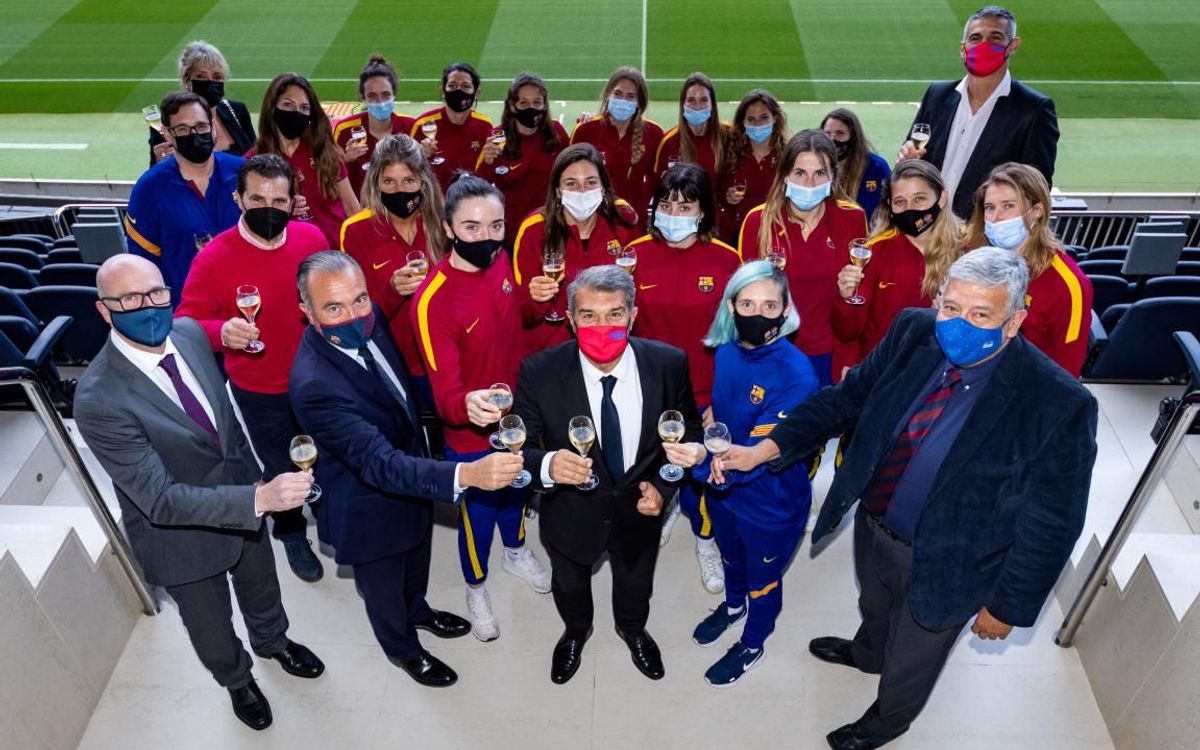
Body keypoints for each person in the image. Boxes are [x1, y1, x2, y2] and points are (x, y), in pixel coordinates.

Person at [718, 248, 1098, 749]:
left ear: (1013, 322)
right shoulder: (912, 332)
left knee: (914, 656)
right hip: (876, 519)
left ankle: (886, 721)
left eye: (981, 315)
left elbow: (1054, 521)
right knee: (874, 602)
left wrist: (1007, 606)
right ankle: (867, 653)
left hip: (952, 558)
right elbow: (845, 400)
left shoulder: (1059, 402)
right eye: (951, 307)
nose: (959, 325)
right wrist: (764, 450)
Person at [74, 254, 324, 732]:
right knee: (209, 624)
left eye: (156, 293)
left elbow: (224, 425)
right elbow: (159, 499)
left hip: (241, 500)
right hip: (178, 534)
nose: (148, 306)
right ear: (104, 310)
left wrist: (252, 481)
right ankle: (237, 680)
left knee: (262, 587)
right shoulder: (98, 399)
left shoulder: (188, 335)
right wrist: (258, 500)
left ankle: (273, 641)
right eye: (129, 299)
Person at [290, 252, 527, 687]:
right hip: (367, 505)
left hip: (413, 477)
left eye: (360, 299)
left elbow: (399, 393)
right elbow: (377, 464)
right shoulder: (315, 385)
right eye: (333, 308)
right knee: (383, 590)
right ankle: (404, 650)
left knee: (417, 558)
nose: (354, 315)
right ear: (307, 310)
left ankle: (418, 610)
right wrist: (465, 475)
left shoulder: (372, 319)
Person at [513, 265, 703, 685]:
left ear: (633, 316)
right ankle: (576, 632)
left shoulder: (669, 363)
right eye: (589, 315)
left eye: (614, 314)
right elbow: (517, 449)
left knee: (636, 583)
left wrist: (665, 487)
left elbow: (687, 430)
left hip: (641, 511)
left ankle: (632, 629)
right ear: (570, 319)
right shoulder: (539, 371)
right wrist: (547, 465)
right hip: (570, 512)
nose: (603, 326)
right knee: (570, 585)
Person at [411, 174, 554, 641]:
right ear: (448, 228)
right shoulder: (432, 301)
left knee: (516, 492)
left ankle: (515, 550)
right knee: (477, 516)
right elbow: (445, 397)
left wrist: (535, 302)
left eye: (496, 226)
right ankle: (475, 586)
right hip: (470, 434)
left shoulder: (502, 261)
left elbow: (516, 321)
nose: (486, 238)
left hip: (518, 417)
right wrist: (466, 406)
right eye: (472, 227)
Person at [176, 154, 329, 582]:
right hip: (260, 387)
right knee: (280, 463)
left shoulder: (312, 238)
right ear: (238, 199)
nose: (269, 208)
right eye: (258, 199)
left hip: (318, 378)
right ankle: (291, 531)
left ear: (293, 202)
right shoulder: (213, 257)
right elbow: (186, 324)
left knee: (326, 450)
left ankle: (330, 514)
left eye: (279, 201)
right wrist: (221, 331)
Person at [665, 261, 818, 687]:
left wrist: (699, 457)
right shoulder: (727, 351)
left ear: (786, 310)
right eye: (747, 304)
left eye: (770, 305)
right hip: (724, 490)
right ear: (731, 306)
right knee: (730, 556)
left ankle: (753, 642)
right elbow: (725, 410)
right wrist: (711, 421)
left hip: (771, 500)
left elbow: (752, 456)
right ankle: (733, 607)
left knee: (763, 580)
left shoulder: (797, 376)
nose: (758, 314)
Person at [625, 164, 741, 591]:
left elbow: (735, 339)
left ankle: (705, 538)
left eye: (685, 206)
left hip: (705, 392)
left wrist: (722, 399)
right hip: (649, 390)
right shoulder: (633, 256)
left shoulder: (727, 261)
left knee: (702, 475)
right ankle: (664, 504)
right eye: (667, 204)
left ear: (703, 211)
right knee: (653, 462)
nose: (674, 214)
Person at [899, 5, 1059, 218]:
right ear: (962, 48)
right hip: (926, 225)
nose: (984, 45)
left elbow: (1036, 188)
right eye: (975, 38)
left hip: (982, 233)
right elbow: (912, 154)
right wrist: (907, 156)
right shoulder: (937, 95)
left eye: (995, 38)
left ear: (1012, 46)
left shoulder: (1034, 110)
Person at [738, 130, 869, 388]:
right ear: (785, 175)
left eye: (819, 174)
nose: (809, 184)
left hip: (830, 356)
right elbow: (743, 304)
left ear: (832, 177)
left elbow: (858, 297)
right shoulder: (758, 221)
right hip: (773, 354)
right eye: (800, 173)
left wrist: (851, 357)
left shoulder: (852, 219)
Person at [340, 135, 447, 408]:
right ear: (375, 182)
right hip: (393, 363)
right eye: (389, 182)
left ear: (423, 180)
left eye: (409, 181)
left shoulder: (443, 221)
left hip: (444, 358)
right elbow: (357, 316)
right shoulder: (356, 231)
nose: (400, 190)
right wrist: (392, 291)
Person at [831, 159, 962, 378]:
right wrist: (845, 298)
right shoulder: (874, 252)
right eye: (900, 202)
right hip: (881, 373)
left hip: (938, 375)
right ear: (890, 206)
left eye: (919, 199)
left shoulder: (965, 250)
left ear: (942, 198)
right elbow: (848, 331)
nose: (910, 209)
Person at [962, 162, 1092, 376]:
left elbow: (1067, 370)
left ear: (1037, 211)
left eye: (1008, 206)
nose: (995, 218)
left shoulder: (1068, 285)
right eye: (990, 207)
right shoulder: (974, 259)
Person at [511, 143, 640, 355]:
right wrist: (537, 300)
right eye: (571, 183)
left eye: (590, 182)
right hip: (551, 352)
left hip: (610, 346)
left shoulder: (622, 221)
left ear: (603, 188)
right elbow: (521, 314)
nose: (582, 192)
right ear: (558, 191)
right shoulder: (533, 230)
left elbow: (638, 294)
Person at [125, 90, 243, 305]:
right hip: (187, 312)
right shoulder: (149, 189)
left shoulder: (244, 173)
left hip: (248, 302)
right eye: (182, 129)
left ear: (213, 127)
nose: (194, 134)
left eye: (201, 126)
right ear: (167, 134)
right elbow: (143, 266)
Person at [250, 73, 360, 247]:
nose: (296, 113)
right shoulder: (253, 162)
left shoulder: (324, 151)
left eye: (304, 107)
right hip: (288, 254)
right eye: (288, 104)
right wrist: (282, 210)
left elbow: (352, 208)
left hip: (334, 252)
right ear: (272, 107)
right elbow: (250, 222)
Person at [475, 72, 569, 243]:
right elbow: (479, 187)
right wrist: (487, 162)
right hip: (511, 235)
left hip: (551, 229)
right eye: (524, 103)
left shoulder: (557, 134)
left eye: (537, 102)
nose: (531, 108)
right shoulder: (497, 138)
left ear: (544, 105)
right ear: (512, 106)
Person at [570, 67, 664, 230]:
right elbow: (569, 179)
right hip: (592, 224)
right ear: (608, 95)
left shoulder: (654, 134)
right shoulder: (585, 131)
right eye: (618, 94)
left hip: (634, 224)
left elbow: (657, 180)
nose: (623, 101)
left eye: (630, 96)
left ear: (639, 102)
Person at [148, 40, 255, 166]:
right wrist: (160, 162)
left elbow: (256, 156)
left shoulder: (237, 110)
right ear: (186, 80)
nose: (210, 82)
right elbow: (157, 171)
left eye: (217, 77)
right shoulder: (168, 122)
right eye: (201, 76)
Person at [332, 54, 422, 197]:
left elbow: (424, 176)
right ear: (363, 98)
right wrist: (346, 160)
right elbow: (330, 181)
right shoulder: (345, 130)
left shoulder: (412, 127)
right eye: (372, 95)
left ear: (394, 94)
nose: (380, 102)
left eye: (386, 94)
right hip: (359, 208)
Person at [717, 89, 788, 242]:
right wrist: (727, 196)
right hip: (738, 233)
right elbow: (718, 192)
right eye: (751, 119)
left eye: (764, 117)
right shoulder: (730, 151)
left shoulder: (788, 155)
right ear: (743, 122)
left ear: (775, 119)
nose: (757, 124)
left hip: (775, 232)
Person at [411, 62, 494, 190]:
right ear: (443, 90)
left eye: (465, 86)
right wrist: (420, 156)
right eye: (452, 85)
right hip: (433, 200)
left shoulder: (485, 126)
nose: (458, 90)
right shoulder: (423, 124)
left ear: (477, 92)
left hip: (470, 198)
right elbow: (407, 169)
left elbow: (487, 172)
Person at [653, 73, 727, 193]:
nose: (697, 106)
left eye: (704, 100)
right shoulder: (668, 142)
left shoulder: (727, 136)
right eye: (691, 100)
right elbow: (657, 185)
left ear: (712, 105)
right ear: (683, 104)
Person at [821, 108, 891, 220]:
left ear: (854, 137)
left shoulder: (877, 167)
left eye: (840, 133)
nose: (832, 139)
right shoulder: (817, 167)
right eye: (827, 134)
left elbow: (890, 204)